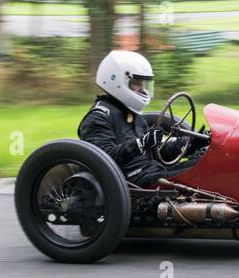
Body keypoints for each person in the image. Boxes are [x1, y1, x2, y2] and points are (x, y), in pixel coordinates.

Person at [78, 49, 204, 186]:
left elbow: (158, 153)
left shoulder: (131, 114)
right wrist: (140, 143)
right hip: (135, 183)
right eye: (137, 83)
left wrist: (190, 143)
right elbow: (105, 158)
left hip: (154, 171)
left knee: (208, 163)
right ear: (117, 80)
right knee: (206, 173)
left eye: (144, 84)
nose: (143, 89)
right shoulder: (98, 118)